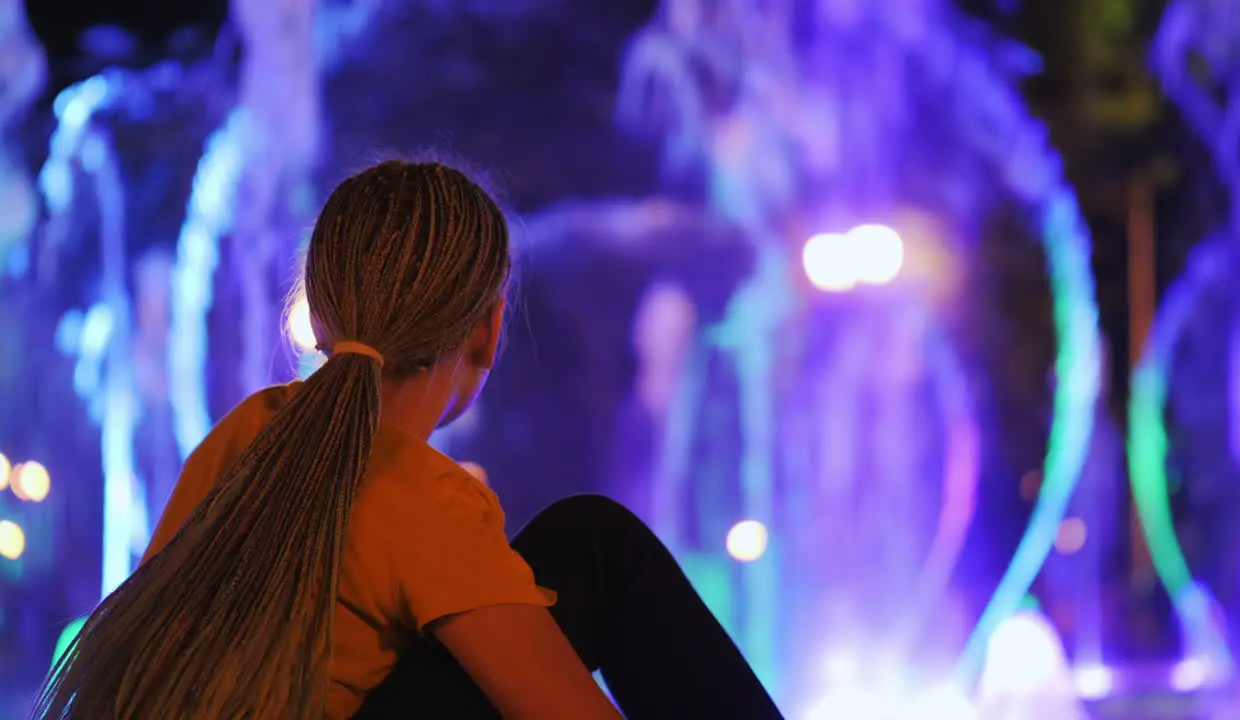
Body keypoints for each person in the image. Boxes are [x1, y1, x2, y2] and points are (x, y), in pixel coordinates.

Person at [35, 161, 783, 719]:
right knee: (595, 543)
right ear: (489, 333)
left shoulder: (247, 431)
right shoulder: (427, 497)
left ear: (319, 317)